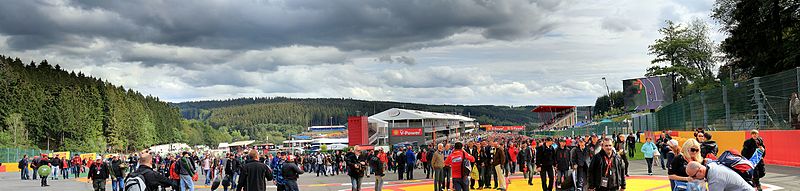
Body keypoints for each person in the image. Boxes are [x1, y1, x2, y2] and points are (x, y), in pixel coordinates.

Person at [685, 161, 755, 191]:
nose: (693, 179)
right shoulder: (712, 165)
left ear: (700, 171)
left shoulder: (715, 180)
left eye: (693, 176)